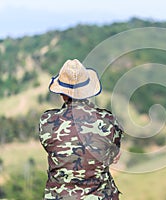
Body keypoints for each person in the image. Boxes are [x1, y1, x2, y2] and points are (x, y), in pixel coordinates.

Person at [39, 59, 123, 200]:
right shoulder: (108, 120)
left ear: (62, 93)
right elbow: (114, 155)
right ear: (89, 91)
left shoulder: (47, 121)